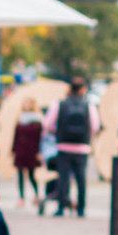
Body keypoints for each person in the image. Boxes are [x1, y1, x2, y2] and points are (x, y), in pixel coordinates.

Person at [44, 76, 100, 217]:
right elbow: (95, 126)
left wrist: (56, 131)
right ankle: (81, 209)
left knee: (63, 178)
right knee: (81, 179)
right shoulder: (89, 105)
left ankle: (61, 207)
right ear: (83, 89)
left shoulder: (60, 104)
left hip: (63, 146)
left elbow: (47, 124)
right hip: (82, 147)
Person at [11, 97, 43, 209]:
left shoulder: (38, 119)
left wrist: (39, 152)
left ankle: (36, 195)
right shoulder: (20, 118)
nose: (26, 105)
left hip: (31, 150)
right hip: (20, 149)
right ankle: (21, 197)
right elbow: (15, 135)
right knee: (20, 174)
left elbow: (39, 138)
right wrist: (13, 149)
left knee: (31, 175)